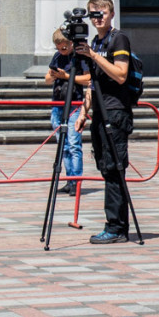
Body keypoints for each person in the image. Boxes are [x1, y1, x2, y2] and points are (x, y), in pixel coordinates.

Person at [74, 0, 134, 245]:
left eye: (102, 13)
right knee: (105, 167)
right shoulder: (96, 42)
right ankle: (115, 225)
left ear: (111, 14)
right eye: (93, 14)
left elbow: (121, 75)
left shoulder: (117, 38)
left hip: (116, 111)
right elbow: (92, 83)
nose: (98, 18)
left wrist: (94, 56)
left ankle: (116, 226)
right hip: (99, 110)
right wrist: (82, 112)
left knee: (114, 168)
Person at [45, 29, 90, 196]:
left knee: (73, 144)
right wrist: (54, 75)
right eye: (58, 48)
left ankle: (76, 182)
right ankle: (69, 180)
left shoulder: (80, 58)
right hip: (57, 104)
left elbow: (88, 79)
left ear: (71, 43)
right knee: (63, 146)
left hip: (74, 104)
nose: (61, 51)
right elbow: (47, 79)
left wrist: (66, 76)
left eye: (64, 48)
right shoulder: (57, 57)